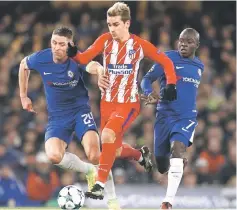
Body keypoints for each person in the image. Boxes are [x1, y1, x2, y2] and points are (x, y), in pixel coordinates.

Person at [67, 2, 177, 199]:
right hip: (106, 103)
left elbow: (166, 62)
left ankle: (99, 185)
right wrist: (74, 53)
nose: (112, 28)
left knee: (107, 136)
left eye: (116, 24)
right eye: (109, 24)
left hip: (128, 104)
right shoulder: (104, 41)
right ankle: (139, 155)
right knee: (114, 150)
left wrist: (171, 84)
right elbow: (84, 59)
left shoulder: (139, 45)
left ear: (127, 23)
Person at [18, 26, 120, 209]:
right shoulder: (41, 58)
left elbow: (93, 65)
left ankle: (113, 202)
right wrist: (23, 96)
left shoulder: (76, 58)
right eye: (54, 43)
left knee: (95, 154)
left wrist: (100, 72)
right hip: (57, 118)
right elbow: (23, 65)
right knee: (53, 156)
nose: (57, 47)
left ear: (70, 45)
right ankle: (88, 170)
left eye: (62, 44)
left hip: (80, 113)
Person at [140, 28, 204, 209]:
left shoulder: (200, 66)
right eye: (181, 40)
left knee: (177, 149)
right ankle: (177, 162)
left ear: (197, 45)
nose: (183, 44)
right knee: (161, 165)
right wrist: (148, 92)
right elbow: (146, 78)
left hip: (186, 117)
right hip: (164, 117)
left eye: (189, 41)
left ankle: (168, 202)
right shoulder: (166, 59)